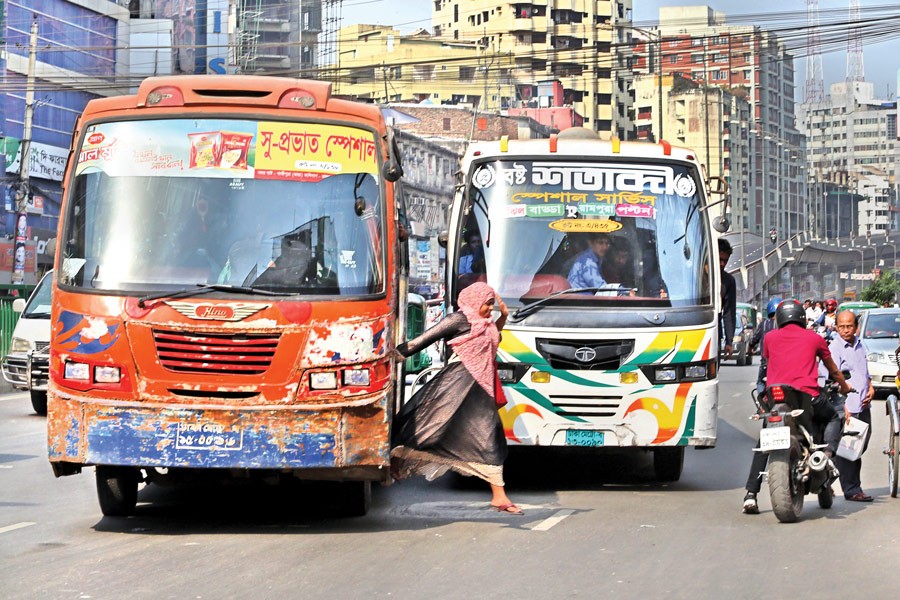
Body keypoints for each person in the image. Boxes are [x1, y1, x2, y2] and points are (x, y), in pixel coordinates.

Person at [391, 282, 523, 515]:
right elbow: (424, 339)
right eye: (487, 304)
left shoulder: (488, 324)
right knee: (428, 425)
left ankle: (499, 497)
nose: (489, 309)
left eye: (492, 304)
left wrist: (503, 315)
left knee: (490, 439)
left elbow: (495, 339)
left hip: (481, 390)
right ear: (473, 301)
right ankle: (395, 461)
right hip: (457, 383)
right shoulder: (458, 320)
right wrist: (393, 354)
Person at [741, 299, 851, 514]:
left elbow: (768, 362)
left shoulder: (770, 338)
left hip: (776, 398)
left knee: (765, 440)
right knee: (833, 417)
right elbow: (834, 371)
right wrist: (844, 386)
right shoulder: (815, 338)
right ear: (802, 317)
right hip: (807, 398)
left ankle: (750, 495)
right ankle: (827, 454)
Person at [830, 310, 875, 502]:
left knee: (859, 446)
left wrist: (871, 387)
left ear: (856, 327)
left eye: (849, 326)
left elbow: (863, 370)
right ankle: (852, 489)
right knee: (850, 450)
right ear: (836, 327)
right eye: (842, 327)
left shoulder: (859, 345)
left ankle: (829, 473)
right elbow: (831, 379)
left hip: (863, 406)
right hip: (848, 408)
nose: (846, 330)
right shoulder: (834, 348)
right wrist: (842, 406)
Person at [750, 296, 783, 395]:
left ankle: (761, 403)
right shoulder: (784, 325)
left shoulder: (763, 325)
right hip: (782, 364)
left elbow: (753, 340)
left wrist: (750, 349)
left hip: (765, 364)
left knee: (760, 383)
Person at [719, 238, 737, 360]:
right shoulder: (694, 275)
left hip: (714, 333)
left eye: (725, 261)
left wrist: (729, 341)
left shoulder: (728, 281)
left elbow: (729, 312)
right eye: (720, 259)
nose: (722, 264)